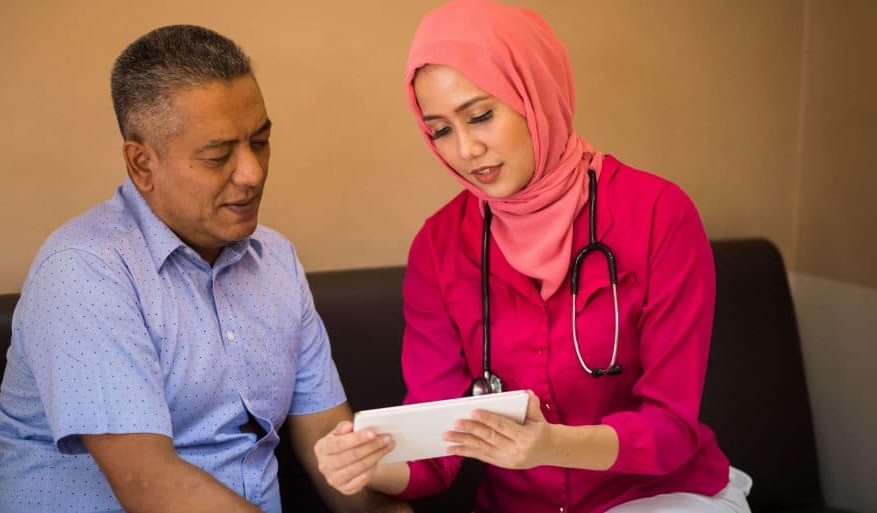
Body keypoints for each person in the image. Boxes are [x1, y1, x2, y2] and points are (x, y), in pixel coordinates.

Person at [313, 1, 753, 512]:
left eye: (480, 116)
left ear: (535, 92)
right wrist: (365, 465)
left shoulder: (658, 215)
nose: (465, 150)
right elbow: (434, 456)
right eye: (440, 130)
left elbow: (671, 428)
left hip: (658, 496)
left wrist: (552, 446)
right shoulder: (438, 248)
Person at [0, 25, 409, 513]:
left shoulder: (275, 259)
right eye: (218, 155)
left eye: (261, 140)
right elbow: (151, 486)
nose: (252, 172)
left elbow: (332, 446)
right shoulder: (85, 272)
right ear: (142, 164)